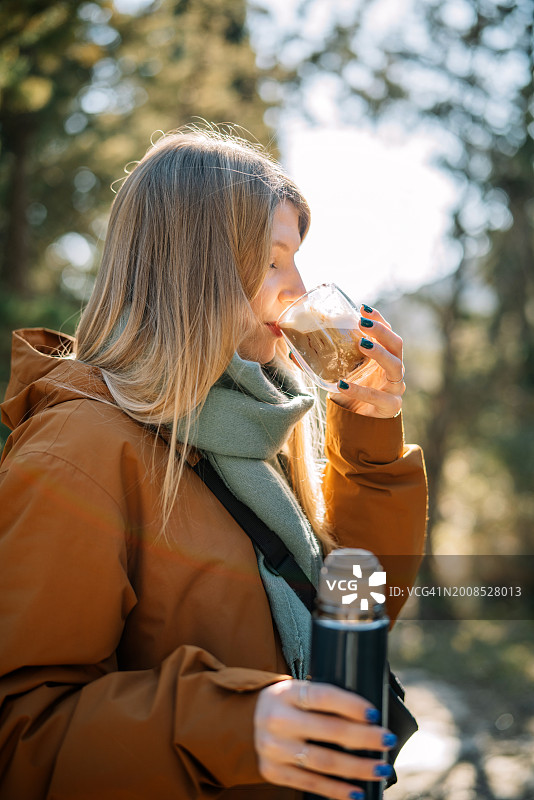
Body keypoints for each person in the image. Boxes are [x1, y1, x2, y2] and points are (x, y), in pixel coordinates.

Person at [0, 126, 427, 800]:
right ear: (192, 271)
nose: (299, 288)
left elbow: (355, 611)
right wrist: (233, 725)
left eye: (297, 261)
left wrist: (370, 439)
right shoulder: (77, 449)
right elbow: (22, 738)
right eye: (272, 262)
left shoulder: (246, 427)